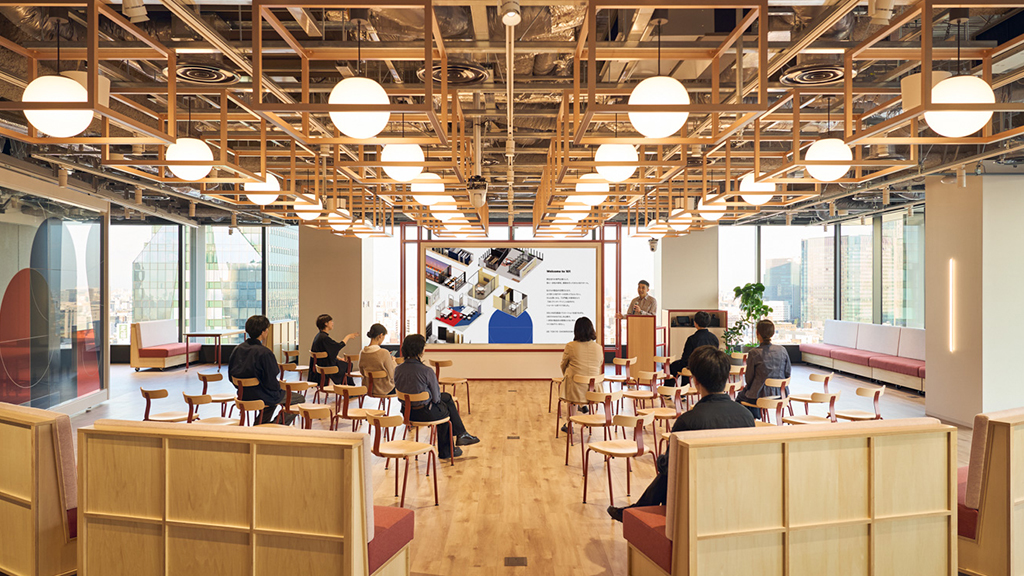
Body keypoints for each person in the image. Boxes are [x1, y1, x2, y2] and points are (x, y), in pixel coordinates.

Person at [607, 345, 755, 521]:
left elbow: (670, 466)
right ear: (726, 377)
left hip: (696, 493)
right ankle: (635, 510)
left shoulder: (689, 421)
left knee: (668, 471)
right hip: (737, 488)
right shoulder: (746, 416)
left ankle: (636, 511)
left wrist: (661, 460)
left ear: (695, 381)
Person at [394, 334, 480, 459]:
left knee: (447, 398)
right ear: (420, 350)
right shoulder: (426, 371)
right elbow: (436, 398)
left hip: (407, 413)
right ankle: (449, 448)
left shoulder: (398, 369)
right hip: (425, 413)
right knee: (445, 410)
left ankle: (461, 435)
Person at [228, 315, 305, 425]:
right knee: (298, 399)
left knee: (271, 401)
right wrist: (278, 388)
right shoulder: (264, 352)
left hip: (243, 395)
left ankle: (260, 426)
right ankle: (275, 425)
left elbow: (230, 377)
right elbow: (271, 381)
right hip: (263, 395)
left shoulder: (237, 349)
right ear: (263, 332)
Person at [735, 319, 793, 420]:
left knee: (742, 396)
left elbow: (749, 379)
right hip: (781, 394)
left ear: (757, 333)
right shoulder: (782, 350)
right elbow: (787, 373)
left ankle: (753, 420)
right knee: (751, 393)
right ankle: (758, 418)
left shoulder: (754, 352)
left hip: (759, 396)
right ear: (773, 333)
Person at [559, 317, 604, 419]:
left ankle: (570, 423)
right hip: (594, 390)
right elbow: (599, 364)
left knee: (571, 380)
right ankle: (583, 408)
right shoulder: (598, 347)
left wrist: (567, 375)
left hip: (575, 390)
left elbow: (563, 365)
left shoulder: (571, 346)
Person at [668, 311, 719, 385]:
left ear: (695, 323)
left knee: (675, 366)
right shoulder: (714, 338)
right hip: (710, 365)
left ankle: (680, 388)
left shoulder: (692, 339)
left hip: (695, 366)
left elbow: (685, 358)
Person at [307, 314, 359, 387]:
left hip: (320, 364)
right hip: (326, 365)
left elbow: (329, 351)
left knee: (345, 364)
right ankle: (349, 387)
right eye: (331, 321)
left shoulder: (319, 336)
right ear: (326, 323)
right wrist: (348, 336)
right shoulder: (324, 338)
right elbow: (338, 346)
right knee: (348, 365)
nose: (332, 323)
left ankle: (349, 386)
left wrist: (339, 358)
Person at [359, 323, 397, 396]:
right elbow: (392, 374)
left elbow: (362, 372)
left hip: (368, 388)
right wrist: (393, 361)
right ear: (380, 335)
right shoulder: (384, 352)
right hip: (385, 389)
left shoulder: (362, 352)